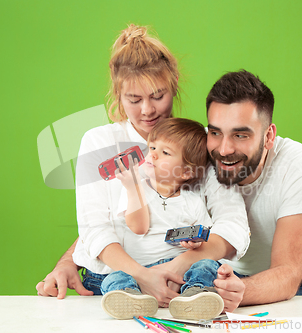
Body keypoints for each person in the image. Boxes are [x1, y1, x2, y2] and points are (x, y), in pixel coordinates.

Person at [36, 25, 250, 311]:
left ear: (174, 86)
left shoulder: (195, 142)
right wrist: (144, 276)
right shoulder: (99, 142)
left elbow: (233, 223)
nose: (147, 110)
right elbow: (94, 227)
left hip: (182, 282)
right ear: (118, 94)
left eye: (158, 96)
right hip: (119, 280)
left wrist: (180, 264)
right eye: (134, 100)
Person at [78, 118, 243, 320]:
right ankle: (131, 298)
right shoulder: (134, 189)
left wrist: (195, 242)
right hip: (139, 271)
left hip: (179, 273)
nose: (153, 154)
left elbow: (205, 237)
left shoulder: (191, 201)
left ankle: (195, 295)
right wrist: (133, 187)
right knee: (114, 277)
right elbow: (138, 226)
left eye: (165, 153)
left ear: (186, 172)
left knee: (207, 265)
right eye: (152, 147)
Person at [207, 70, 302, 311]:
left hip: (301, 280)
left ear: (268, 136)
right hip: (222, 275)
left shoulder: (300, 168)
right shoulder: (198, 152)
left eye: (240, 134)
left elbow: (287, 276)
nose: (223, 149)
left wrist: (236, 292)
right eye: (215, 132)